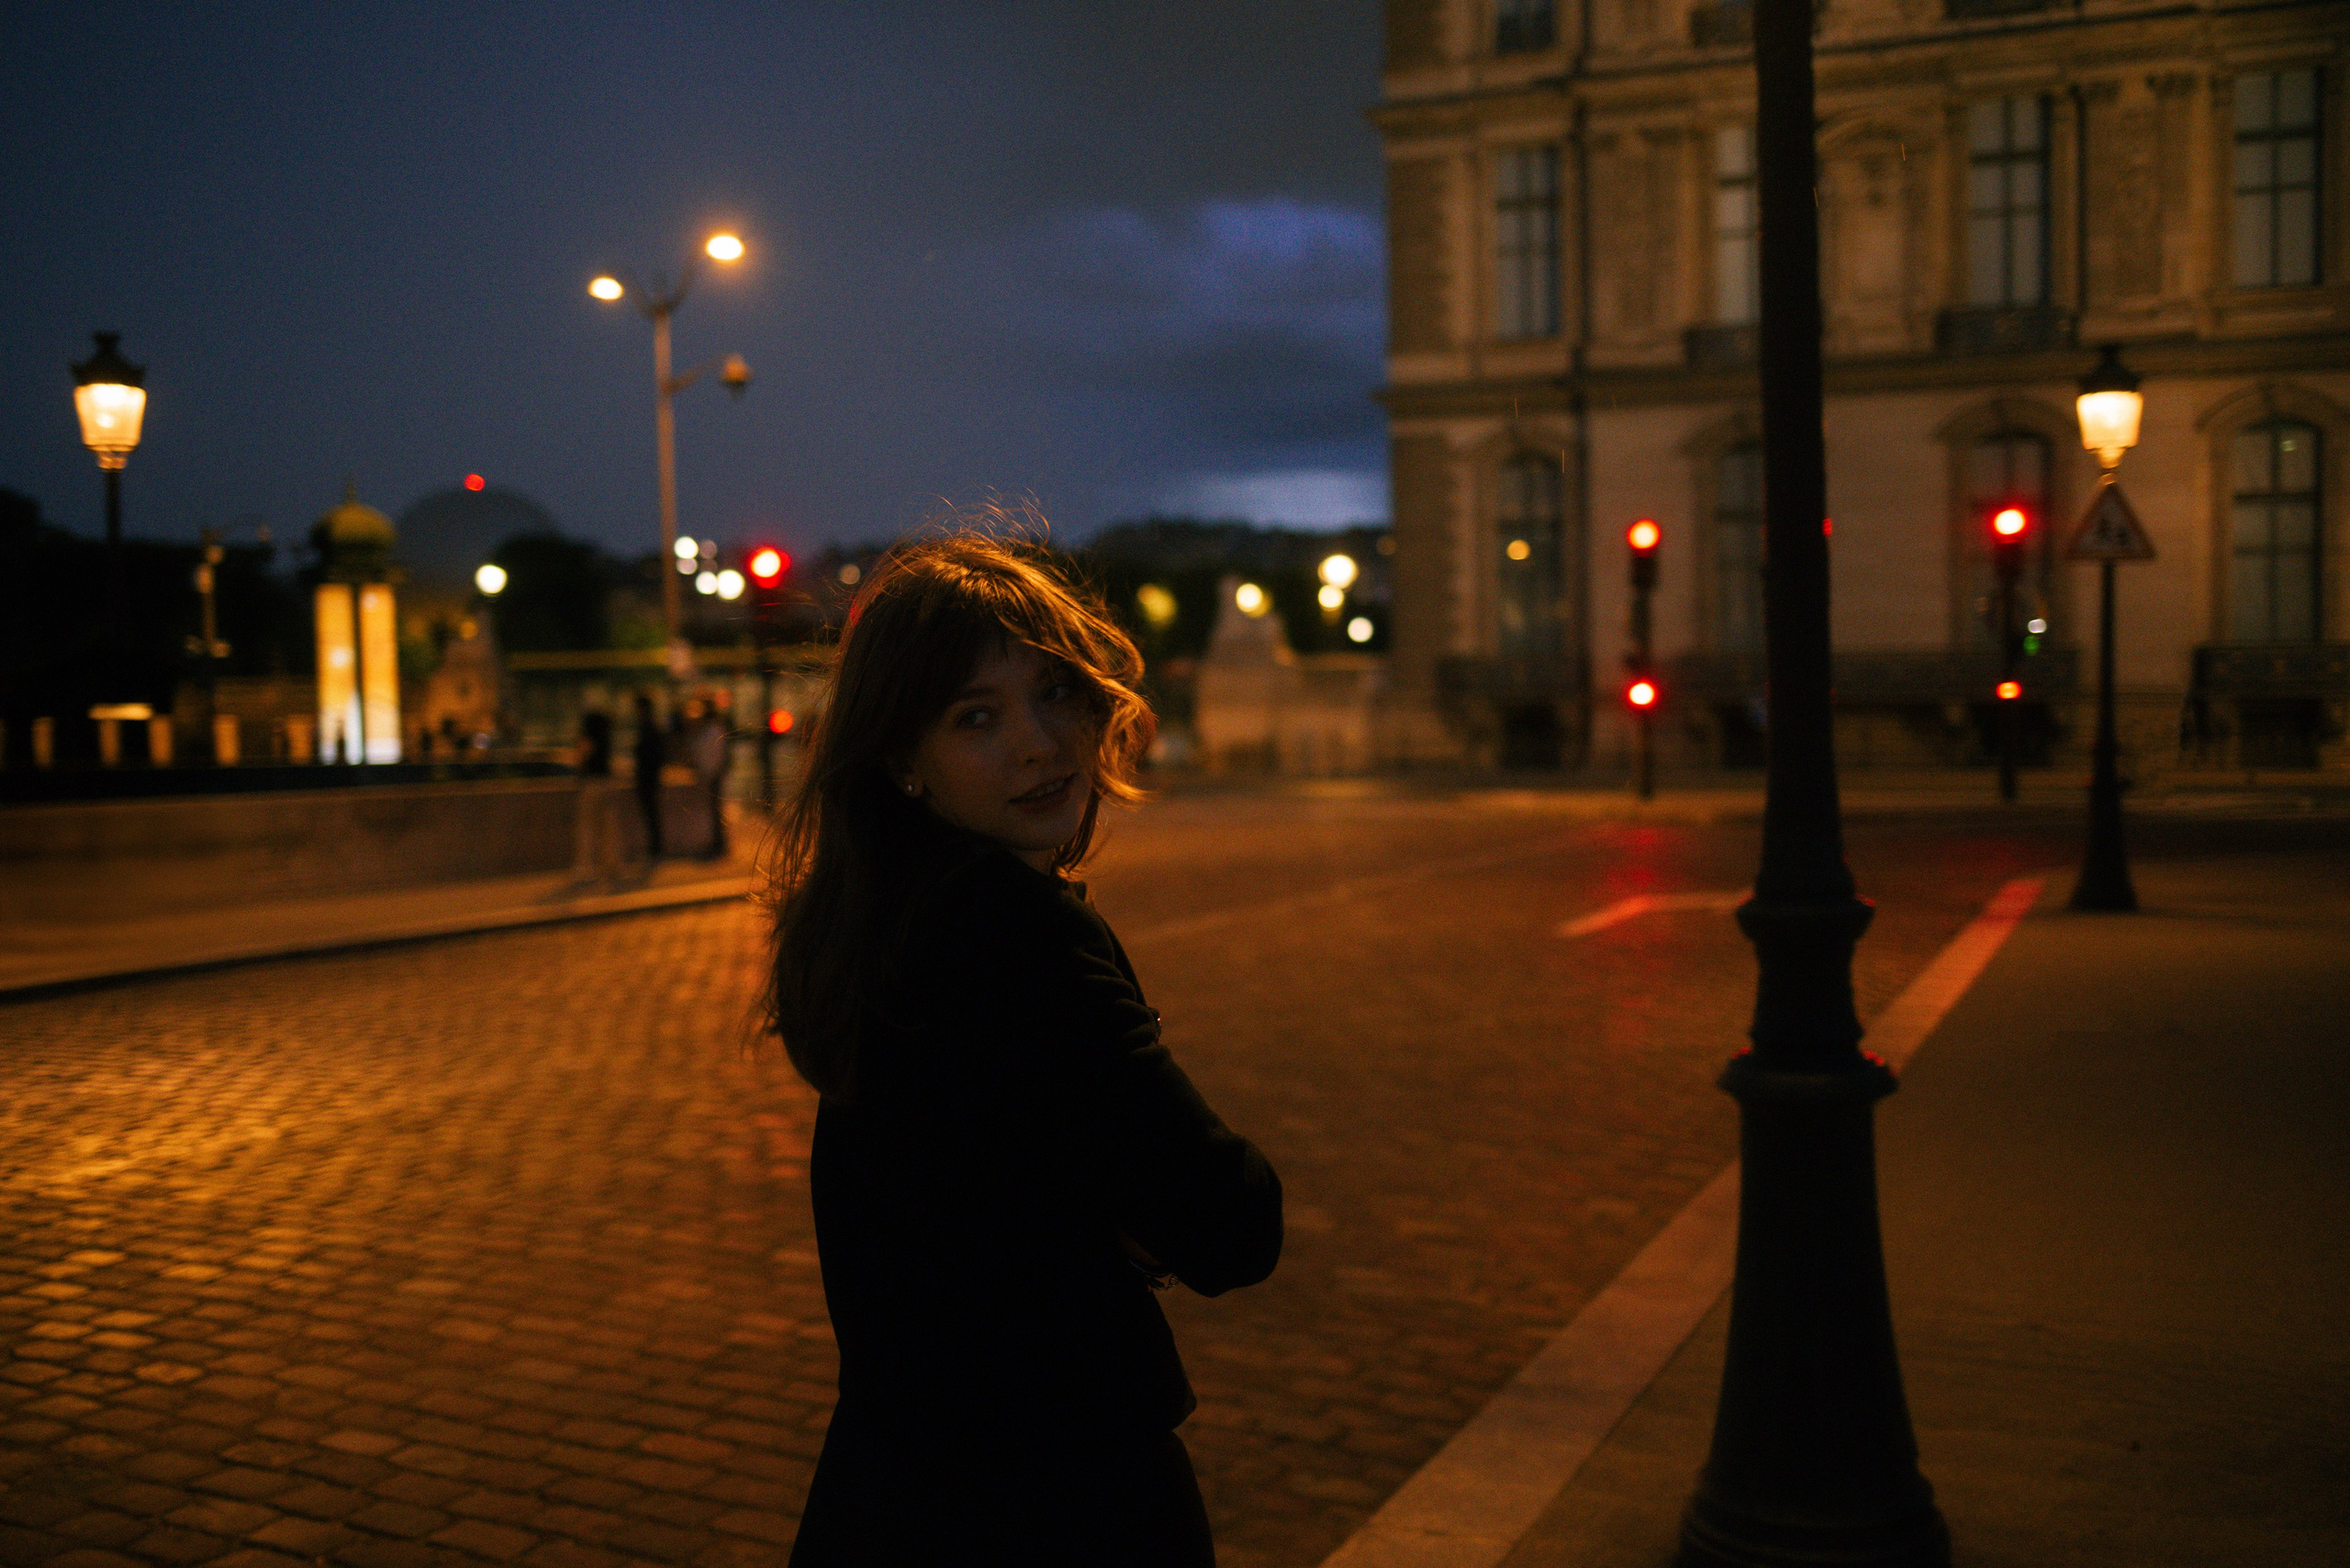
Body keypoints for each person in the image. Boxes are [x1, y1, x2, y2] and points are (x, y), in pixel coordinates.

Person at [767, 534, 1281, 1566]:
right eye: (976, 717)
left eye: (1054, 694)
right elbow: (1231, 1222)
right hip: (1057, 1497)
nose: (1040, 744)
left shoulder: (877, 925)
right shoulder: (1019, 931)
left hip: (891, 1493)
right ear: (901, 760)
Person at [631, 692, 665, 863]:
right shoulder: (651, 726)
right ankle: (655, 847)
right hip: (650, 777)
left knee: (651, 814)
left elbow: (648, 754)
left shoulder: (647, 727)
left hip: (647, 778)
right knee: (652, 814)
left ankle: (655, 848)